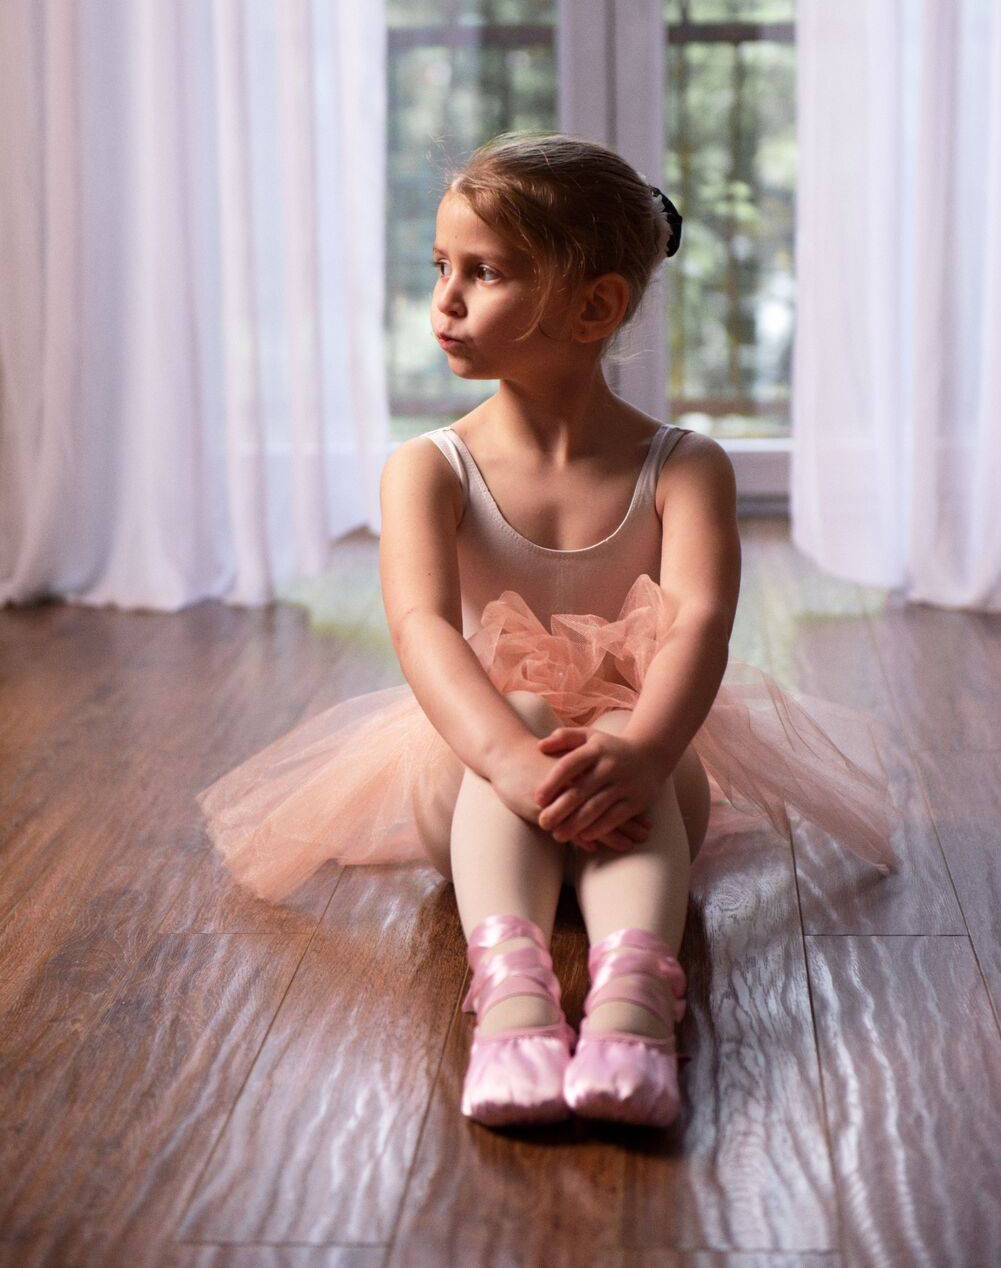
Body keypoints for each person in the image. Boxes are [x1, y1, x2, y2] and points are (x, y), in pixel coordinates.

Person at [196, 131, 900, 1132]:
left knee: (613, 728)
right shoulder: (427, 468)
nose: (444, 301)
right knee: (524, 707)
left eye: (482, 273)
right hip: (475, 766)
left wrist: (643, 748)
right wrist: (509, 760)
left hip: (636, 769)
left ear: (593, 307)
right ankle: (512, 1004)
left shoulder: (684, 466)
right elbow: (422, 627)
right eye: (439, 267)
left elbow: (698, 624)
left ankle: (631, 1006)